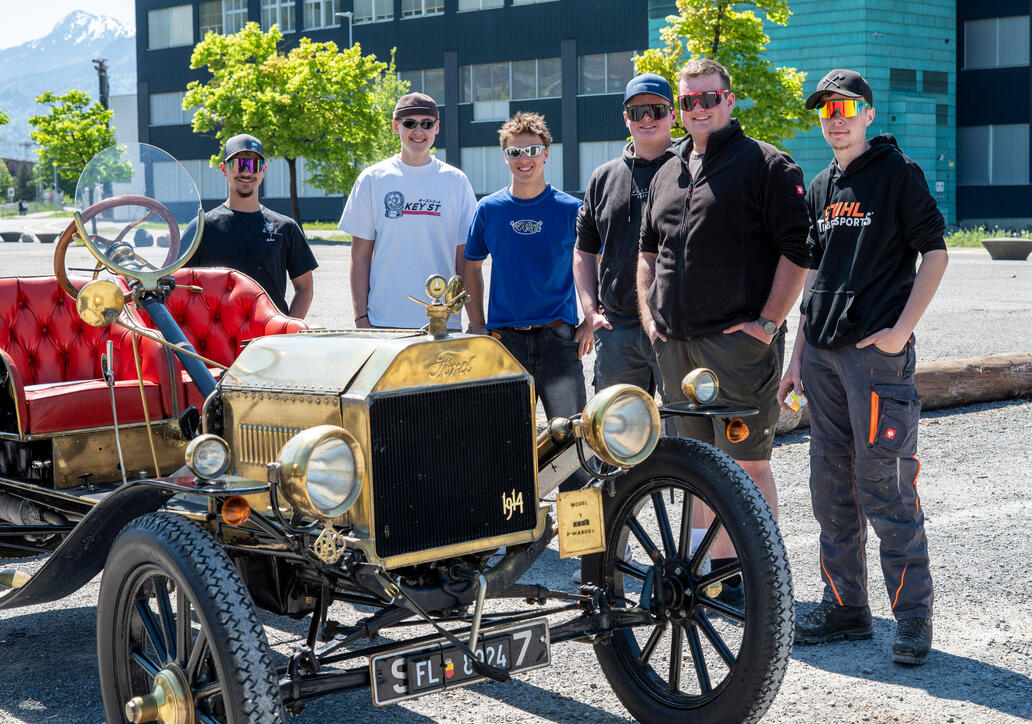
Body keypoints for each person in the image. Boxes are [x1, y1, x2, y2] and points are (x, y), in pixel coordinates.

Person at [781, 69, 948, 665]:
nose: (837, 117)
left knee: (886, 484)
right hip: (822, 358)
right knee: (830, 489)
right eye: (826, 110)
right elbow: (816, 279)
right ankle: (846, 608)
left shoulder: (897, 175)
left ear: (869, 113)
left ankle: (912, 618)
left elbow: (937, 251)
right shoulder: (823, 184)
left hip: (875, 362)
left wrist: (901, 332)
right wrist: (798, 355)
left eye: (847, 106)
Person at [636, 58, 811, 599]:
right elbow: (647, 251)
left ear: (729, 100)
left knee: (749, 463)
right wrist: (648, 317)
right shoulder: (668, 169)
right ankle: (711, 575)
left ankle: (760, 581)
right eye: (688, 102)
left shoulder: (767, 165)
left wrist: (767, 323)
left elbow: (797, 251)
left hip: (736, 348)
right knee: (695, 468)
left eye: (709, 98)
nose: (699, 109)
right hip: (674, 348)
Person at [463, 111, 587, 419]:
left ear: (546, 153)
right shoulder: (489, 210)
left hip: (558, 338)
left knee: (574, 439)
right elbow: (471, 267)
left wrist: (591, 321)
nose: (524, 159)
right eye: (514, 152)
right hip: (505, 342)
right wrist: (478, 324)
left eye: (532, 150)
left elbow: (599, 266)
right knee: (506, 442)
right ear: (505, 157)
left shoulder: (572, 210)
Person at [574, 73, 676, 399]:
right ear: (625, 119)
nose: (647, 118)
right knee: (619, 436)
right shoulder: (603, 178)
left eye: (656, 110)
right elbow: (583, 250)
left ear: (673, 114)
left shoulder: (693, 169)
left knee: (686, 431)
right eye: (637, 111)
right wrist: (591, 311)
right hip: (618, 330)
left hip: (678, 330)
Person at [338, 92, 477, 329]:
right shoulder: (373, 179)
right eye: (409, 124)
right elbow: (360, 257)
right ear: (395, 126)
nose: (418, 131)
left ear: (437, 127)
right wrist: (361, 318)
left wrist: (474, 320)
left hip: (443, 322)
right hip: (384, 320)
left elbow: (464, 258)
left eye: (427, 124)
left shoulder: (456, 181)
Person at [185, 134, 316, 318]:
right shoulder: (201, 228)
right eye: (238, 164)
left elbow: (305, 287)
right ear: (224, 169)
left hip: (269, 339)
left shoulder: (285, 228)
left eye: (254, 165)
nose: (246, 172)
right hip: (217, 339)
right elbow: (179, 286)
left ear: (264, 170)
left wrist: (289, 329)